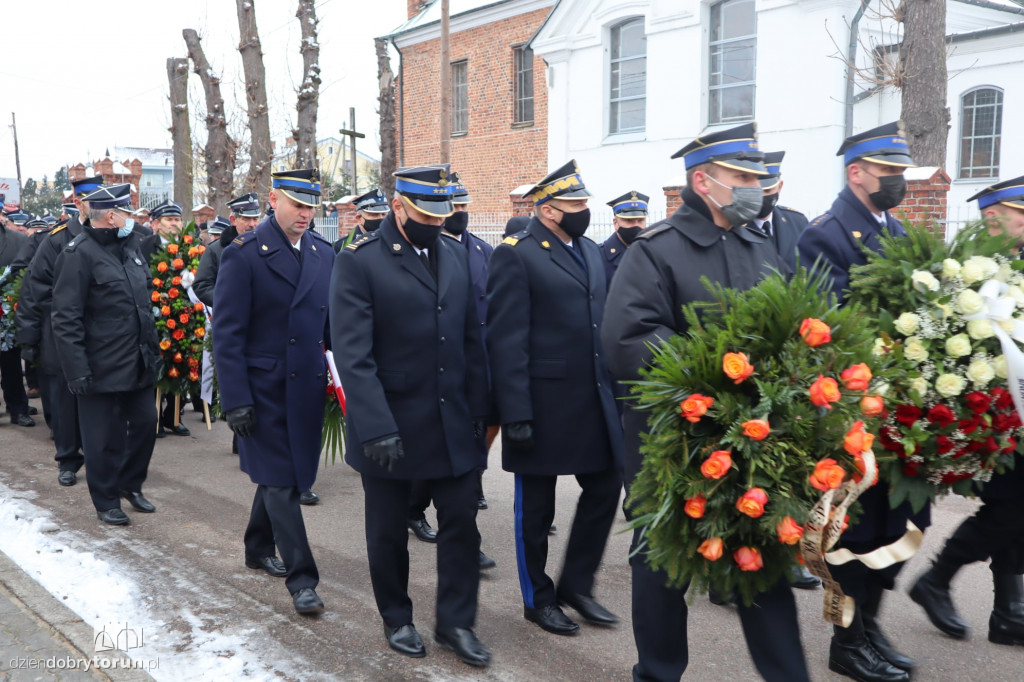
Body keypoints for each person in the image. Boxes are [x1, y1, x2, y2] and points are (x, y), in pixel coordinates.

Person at [601, 123, 811, 682]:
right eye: (742, 177)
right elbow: (626, 341)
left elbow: (784, 328)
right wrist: (712, 374)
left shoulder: (761, 246)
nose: (755, 186)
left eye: (757, 177)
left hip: (752, 439)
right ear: (704, 181)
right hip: (671, 441)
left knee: (759, 553)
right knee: (662, 561)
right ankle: (659, 671)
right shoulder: (656, 251)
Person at [331, 165, 491, 666]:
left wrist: (483, 413)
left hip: (451, 421)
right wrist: (375, 425)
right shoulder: (359, 261)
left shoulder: (454, 254)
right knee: (387, 530)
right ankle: (397, 617)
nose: (437, 223)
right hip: (390, 424)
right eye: (426, 213)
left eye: (442, 214)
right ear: (398, 207)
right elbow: (353, 354)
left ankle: (456, 622)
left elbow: (470, 340)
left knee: (461, 523)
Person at [798, 121, 924, 682]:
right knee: (852, 532)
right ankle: (845, 641)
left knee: (895, 524)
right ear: (857, 173)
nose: (898, 182)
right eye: (888, 173)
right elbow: (826, 330)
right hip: (854, 410)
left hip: (895, 407)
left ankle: (869, 627)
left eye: (901, 173)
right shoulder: (825, 235)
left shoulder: (892, 228)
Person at [487, 160, 624, 636]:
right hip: (541, 405)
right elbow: (505, 339)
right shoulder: (517, 254)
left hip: (591, 400)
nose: (584, 212)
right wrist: (515, 412)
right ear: (547, 211)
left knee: (606, 487)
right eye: (575, 205)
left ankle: (577, 585)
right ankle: (537, 598)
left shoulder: (587, 249)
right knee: (536, 509)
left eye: (585, 203)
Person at [908, 175, 1024, 648]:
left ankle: (1007, 611)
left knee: (1016, 509)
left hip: (1015, 411)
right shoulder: (980, 276)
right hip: (996, 413)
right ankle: (937, 578)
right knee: (1010, 508)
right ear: (995, 218)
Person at [213, 168, 334, 616]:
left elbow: (330, 326)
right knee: (282, 482)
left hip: (305, 387)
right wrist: (236, 398)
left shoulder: (324, 253)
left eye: (311, 206)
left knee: (283, 476)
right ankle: (303, 579)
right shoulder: (243, 254)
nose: (305, 214)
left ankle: (257, 544)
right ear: (273, 199)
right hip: (262, 389)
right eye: (297, 204)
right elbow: (227, 335)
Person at [51, 184, 160, 525]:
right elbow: (65, 316)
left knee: (145, 424)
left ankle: (130, 483)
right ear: (112, 216)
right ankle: (106, 499)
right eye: (127, 212)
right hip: (99, 365)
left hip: (137, 359)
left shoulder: (131, 247)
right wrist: (76, 370)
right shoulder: (77, 254)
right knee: (102, 439)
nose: (132, 218)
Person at [406, 173, 497, 570]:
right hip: (433, 371)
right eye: (452, 206)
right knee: (438, 457)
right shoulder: (422, 251)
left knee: (469, 454)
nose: (458, 212)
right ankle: (414, 508)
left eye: (463, 206)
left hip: (472, 364)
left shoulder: (480, 250)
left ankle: (463, 536)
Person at [16, 175, 101, 485]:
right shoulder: (56, 239)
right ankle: (67, 459)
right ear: (78, 202)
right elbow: (33, 291)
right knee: (64, 404)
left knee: (101, 403)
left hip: (102, 336)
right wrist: (28, 338)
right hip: (60, 333)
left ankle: (100, 459)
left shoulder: (113, 235)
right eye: (93, 199)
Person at [145, 200, 192, 437]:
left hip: (183, 314)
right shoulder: (144, 246)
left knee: (180, 363)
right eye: (168, 220)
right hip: (155, 314)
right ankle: (153, 418)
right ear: (156, 223)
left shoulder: (189, 246)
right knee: (158, 364)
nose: (174, 224)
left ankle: (174, 416)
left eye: (177, 219)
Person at [0, 208, 34, 427]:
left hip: (7, 312)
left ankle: (18, 408)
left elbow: (26, 273)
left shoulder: (18, 240)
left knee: (11, 362)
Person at [751, 151, 808, 273]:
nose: (762, 197)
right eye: (756, 191)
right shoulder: (736, 227)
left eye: (767, 191)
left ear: (780, 186)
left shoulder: (798, 222)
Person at [600, 191, 648, 290]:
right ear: (615, 223)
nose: (636, 226)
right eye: (629, 220)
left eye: (640, 220)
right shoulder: (598, 256)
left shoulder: (653, 254)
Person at [332, 188, 388, 252]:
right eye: (374, 215)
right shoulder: (341, 245)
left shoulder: (392, 241)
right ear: (359, 218)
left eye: (383, 214)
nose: (380, 218)